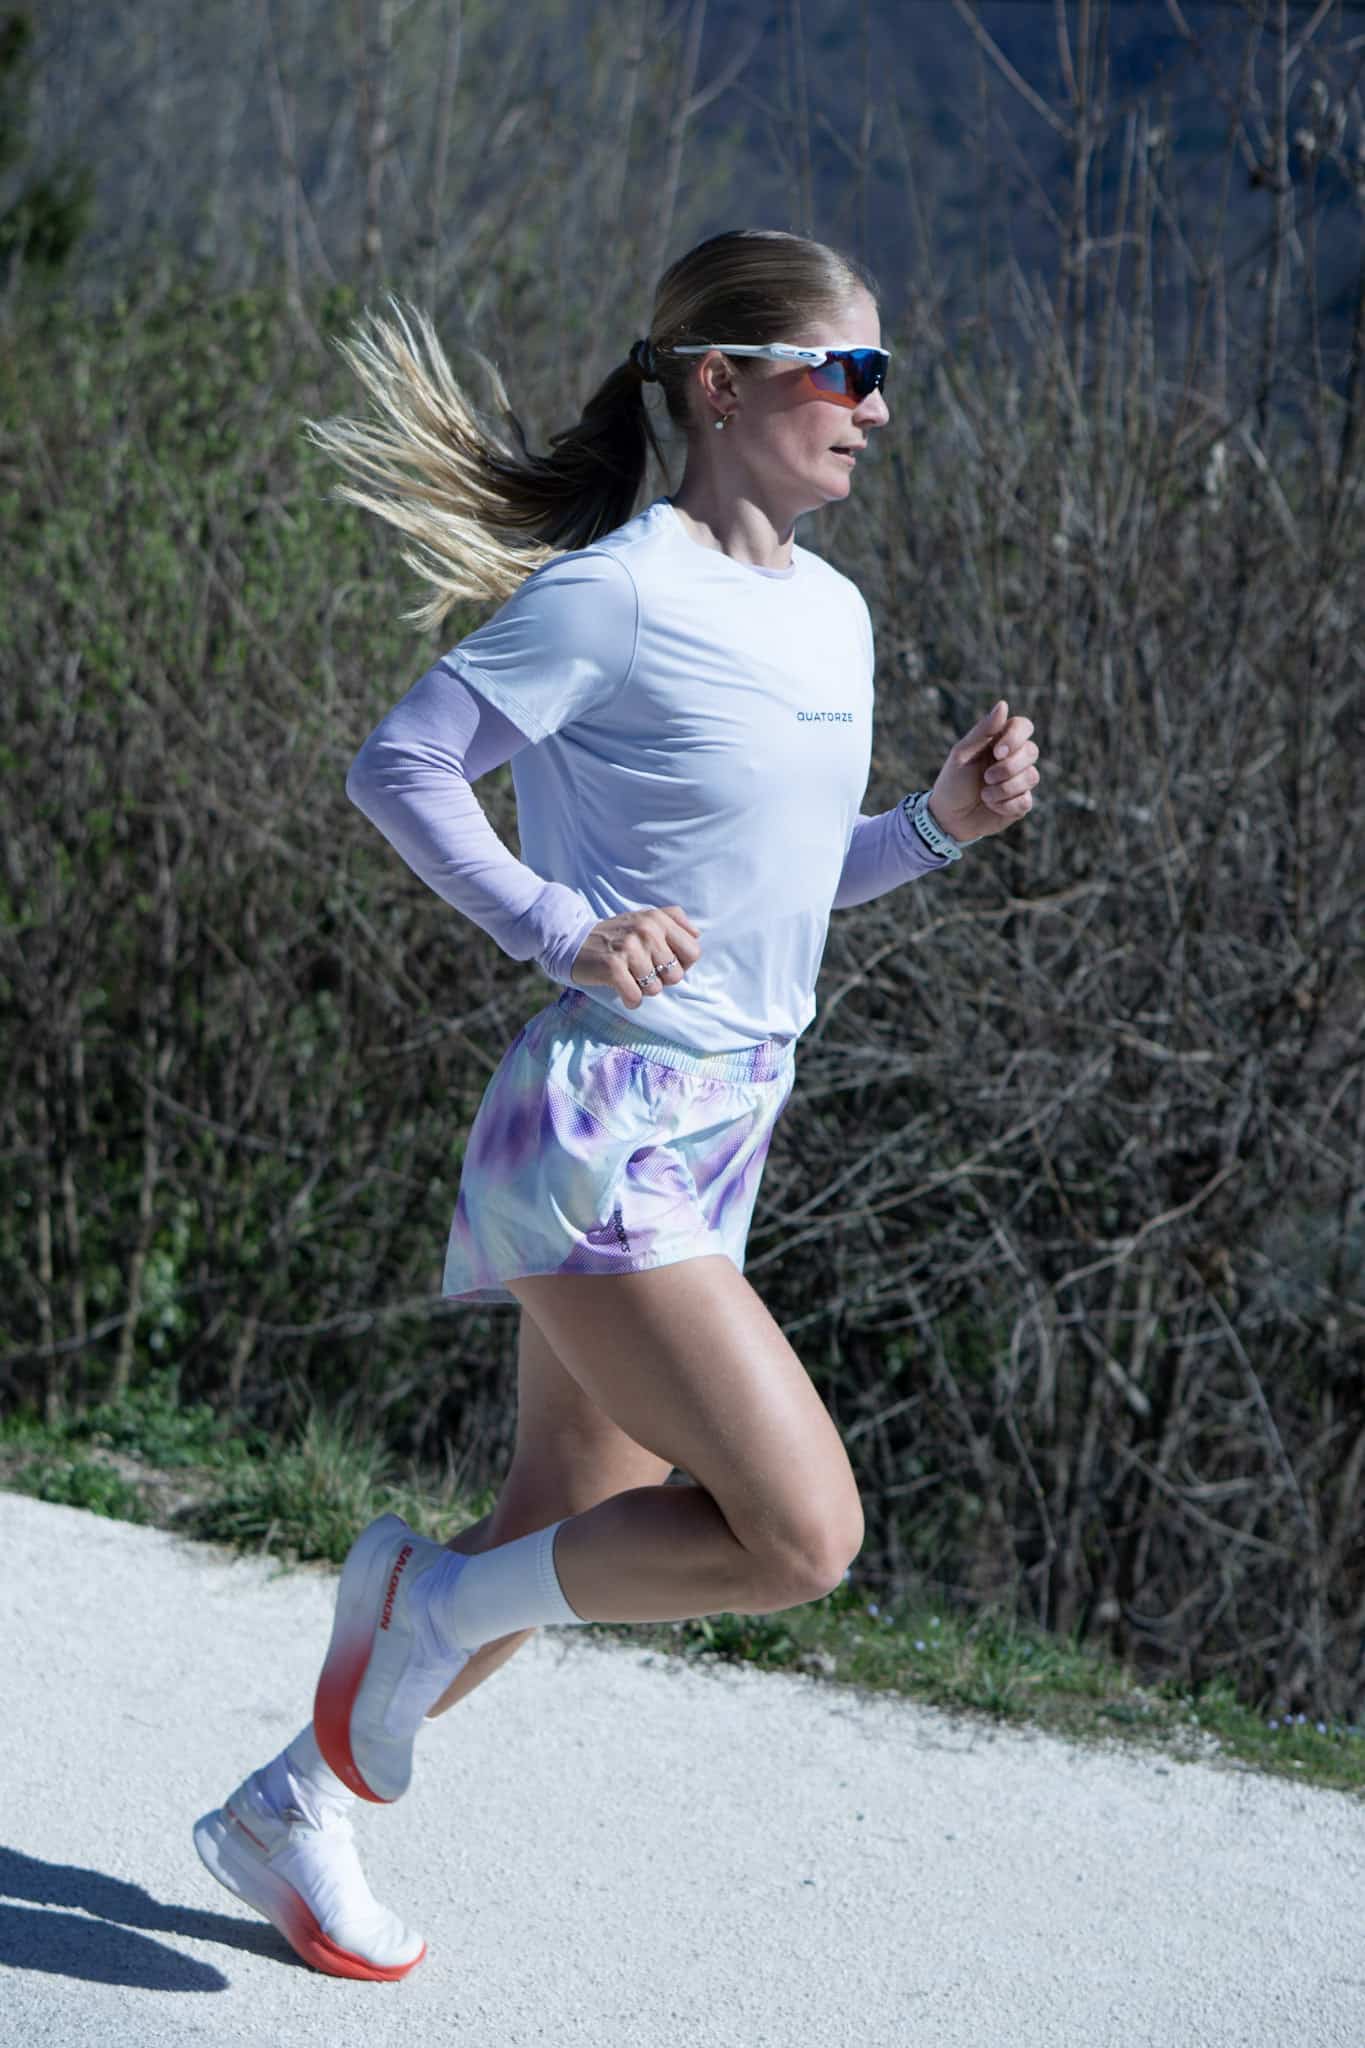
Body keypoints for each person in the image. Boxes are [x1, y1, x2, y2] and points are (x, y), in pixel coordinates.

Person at [192, 227, 1041, 1980]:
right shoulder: (619, 593)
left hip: (727, 1128)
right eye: (844, 371)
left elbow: (777, 888)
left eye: (880, 375)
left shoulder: (832, 612)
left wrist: (934, 829)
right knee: (797, 1535)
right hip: (601, 1131)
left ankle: (294, 1804)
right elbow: (401, 764)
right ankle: (415, 1606)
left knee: (556, 1534)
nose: (875, 408)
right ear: (720, 386)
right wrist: (557, 927)